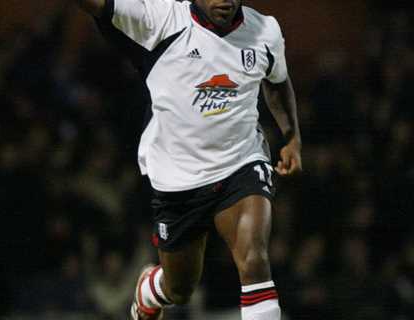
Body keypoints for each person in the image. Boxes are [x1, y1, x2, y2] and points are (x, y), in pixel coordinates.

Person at [76, 0, 302, 318]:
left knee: (255, 262)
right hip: (178, 180)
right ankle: (150, 289)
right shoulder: (161, 19)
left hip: (241, 163)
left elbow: (277, 82)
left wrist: (292, 136)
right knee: (179, 289)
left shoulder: (265, 31)